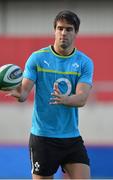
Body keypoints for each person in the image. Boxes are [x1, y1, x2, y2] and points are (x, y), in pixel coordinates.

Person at [8, 10, 94, 179]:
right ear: (54, 30)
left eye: (69, 29)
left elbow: (82, 98)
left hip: (71, 138)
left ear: (76, 32)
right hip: (43, 139)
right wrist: (18, 92)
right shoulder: (37, 58)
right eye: (60, 28)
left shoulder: (84, 62)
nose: (64, 33)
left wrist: (66, 99)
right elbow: (24, 92)